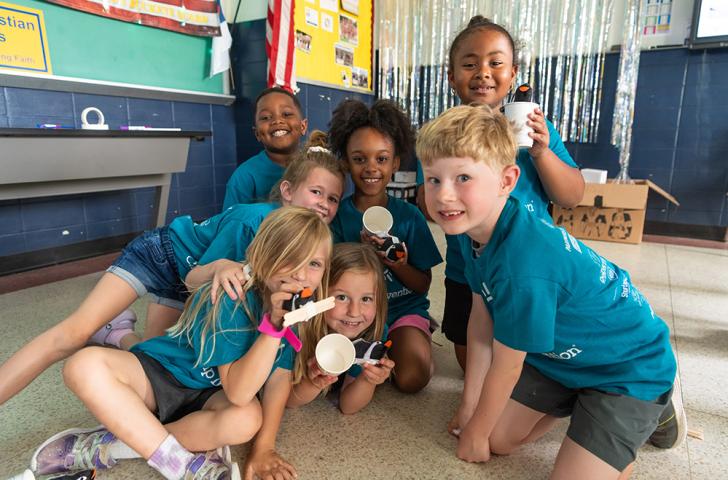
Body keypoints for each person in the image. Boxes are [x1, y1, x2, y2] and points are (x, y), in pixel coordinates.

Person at [417, 104, 683, 479]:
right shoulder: (470, 230)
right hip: (559, 359)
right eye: (433, 179)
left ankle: (647, 412)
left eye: (463, 177)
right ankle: (581, 406)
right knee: (498, 440)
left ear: (507, 181)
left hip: (627, 366)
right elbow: (481, 320)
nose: (444, 196)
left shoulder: (523, 264)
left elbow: (508, 365)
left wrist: (474, 432)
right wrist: (470, 407)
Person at [0, 133, 344, 407]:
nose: (323, 204)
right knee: (73, 334)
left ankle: (117, 334)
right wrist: (222, 267)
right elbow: (193, 280)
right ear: (286, 191)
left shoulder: (306, 243)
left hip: (201, 278)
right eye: (316, 192)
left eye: (332, 199)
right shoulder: (251, 223)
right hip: (167, 258)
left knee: (156, 361)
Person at [29, 207, 332, 480]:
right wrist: (272, 330)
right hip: (163, 374)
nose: (301, 274)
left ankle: (115, 444)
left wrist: (264, 447)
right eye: (289, 257)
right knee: (82, 367)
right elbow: (240, 391)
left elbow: (275, 382)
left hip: (209, 397)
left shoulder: (299, 316)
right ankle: (181, 465)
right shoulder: (234, 296)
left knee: (247, 420)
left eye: (314, 264)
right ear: (264, 256)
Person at [415, 15, 584, 372]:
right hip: (469, 271)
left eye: (495, 62)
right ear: (451, 76)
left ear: (513, 72)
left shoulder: (535, 128)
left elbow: (571, 196)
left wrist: (541, 152)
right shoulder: (442, 135)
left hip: (531, 267)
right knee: (470, 363)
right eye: (469, 64)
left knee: (530, 363)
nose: (483, 72)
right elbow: (428, 204)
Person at [328, 99, 442, 394]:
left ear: (394, 163)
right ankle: (385, 346)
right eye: (359, 158)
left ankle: (415, 337)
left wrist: (397, 264)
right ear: (345, 162)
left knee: (411, 380)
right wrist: (361, 253)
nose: (371, 168)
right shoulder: (338, 217)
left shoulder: (409, 217)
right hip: (355, 315)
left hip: (403, 308)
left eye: (381, 159)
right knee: (335, 371)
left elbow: (422, 285)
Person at [287, 243, 393, 414]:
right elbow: (289, 401)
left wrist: (368, 379)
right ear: (319, 295)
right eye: (342, 297)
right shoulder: (298, 329)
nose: (354, 312)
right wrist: (312, 384)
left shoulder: (372, 334)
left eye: (366, 299)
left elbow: (349, 406)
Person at [223, 87, 308, 208]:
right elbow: (230, 223)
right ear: (257, 133)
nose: (277, 121)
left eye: (287, 114)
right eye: (266, 117)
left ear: (303, 126)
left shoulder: (316, 167)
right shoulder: (244, 177)